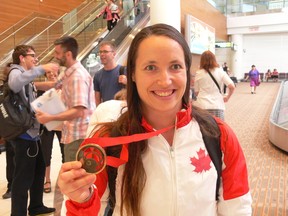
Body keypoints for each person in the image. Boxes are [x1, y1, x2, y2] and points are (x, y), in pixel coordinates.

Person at [57, 23, 252, 216]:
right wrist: (81, 199)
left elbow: (237, 207)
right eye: (151, 67)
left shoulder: (218, 135)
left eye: (175, 66)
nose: (165, 80)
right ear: (132, 74)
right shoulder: (108, 141)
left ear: (187, 71)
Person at [7, 45, 59, 216]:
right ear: (22, 58)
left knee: (38, 169)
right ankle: (18, 213)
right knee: (22, 177)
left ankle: (36, 206)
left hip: (32, 133)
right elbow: (15, 84)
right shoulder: (15, 72)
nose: (36, 59)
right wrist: (41, 68)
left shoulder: (24, 75)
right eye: (32, 56)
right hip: (24, 136)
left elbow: (30, 89)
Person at [35, 36, 95, 163]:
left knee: (75, 178)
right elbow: (53, 84)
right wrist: (30, 84)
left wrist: (49, 117)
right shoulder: (69, 72)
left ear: (68, 54)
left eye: (57, 53)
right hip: (71, 134)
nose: (55, 56)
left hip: (78, 136)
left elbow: (78, 111)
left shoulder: (77, 77)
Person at [37, 70, 65, 194]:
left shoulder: (64, 88)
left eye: (54, 73)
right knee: (45, 154)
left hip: (62, 125)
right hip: (47, 126)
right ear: (45, 75)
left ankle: (63, 178)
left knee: (65, 152)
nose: (52, 75)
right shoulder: (42, 89)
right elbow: (37, 106)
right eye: (49, 73)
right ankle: (47, 180)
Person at [194, 51, 235, 120]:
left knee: (203, 129)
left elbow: (196, 92)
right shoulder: (220, 72)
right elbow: (232, 87)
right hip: (217, 105)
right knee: (218, 128)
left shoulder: (199, 73)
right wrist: (227, 97)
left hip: (202, 105)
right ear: (214, 59)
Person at [93, 41, 127, 106]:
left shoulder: (124, 70)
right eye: (100, 52)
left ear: (114, 54)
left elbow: (136, 91)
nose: (102, 54)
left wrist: (127, 82)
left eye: (105, 51)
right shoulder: (98, 75)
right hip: (107, 112)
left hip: (122, 110)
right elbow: (97, 99)